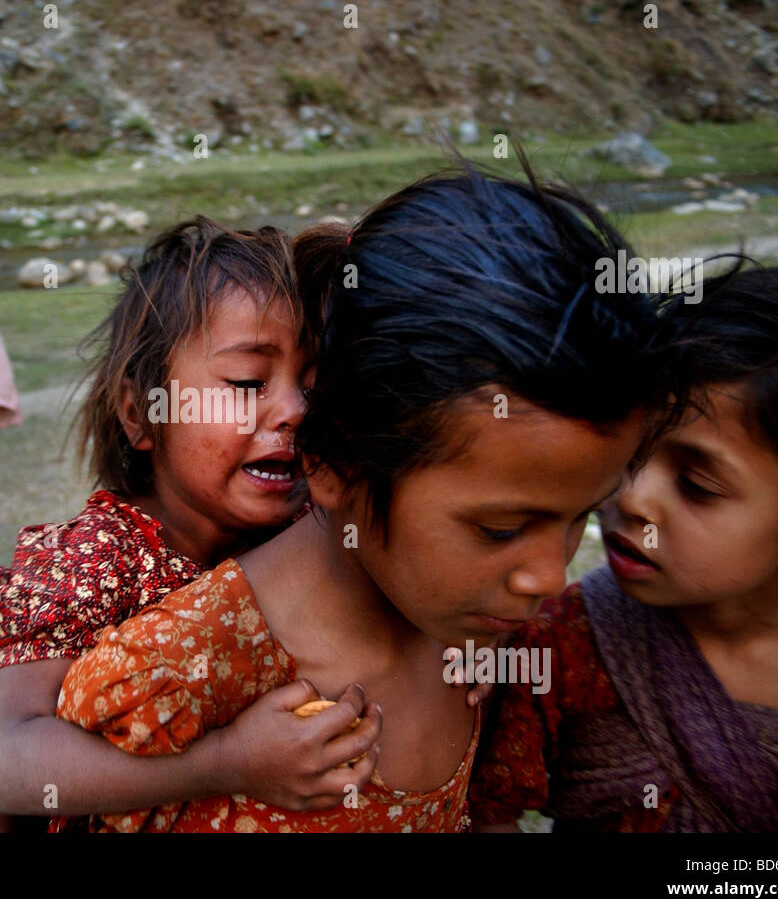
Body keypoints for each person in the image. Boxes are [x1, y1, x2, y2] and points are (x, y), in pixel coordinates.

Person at [54, 160, 682, 831]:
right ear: (338, 458)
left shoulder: (473, 640)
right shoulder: (181, 666)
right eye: (500, 528)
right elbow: (9, 769)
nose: (550, 577)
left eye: (577, 518)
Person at [0, 218, 406, 832]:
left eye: (314, 386)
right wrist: (226, 763)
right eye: (249, 382)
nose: (296, 412)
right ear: (141, 413)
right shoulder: (94, 563)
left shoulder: (318, 532)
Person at [471, 266, 778, 832]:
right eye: (629, 455)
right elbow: (486, 813)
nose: (631, 496)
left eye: (698, 487)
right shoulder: (564, 645)